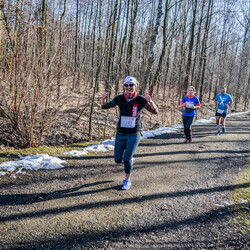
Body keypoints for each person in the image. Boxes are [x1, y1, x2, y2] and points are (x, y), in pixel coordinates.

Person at [101, 76, 159, 190]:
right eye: (126, 85)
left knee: (126, 159)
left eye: (131, 85)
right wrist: (103, 98)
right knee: (118, 159)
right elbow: (104, 107)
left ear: (135, 86)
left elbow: (155, 111)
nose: (128, 87)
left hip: (134, 133)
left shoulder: (141, 99)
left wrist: (150, 102)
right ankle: (130, 160)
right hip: (121, 133)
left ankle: (127, 180)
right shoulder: (120, 98)